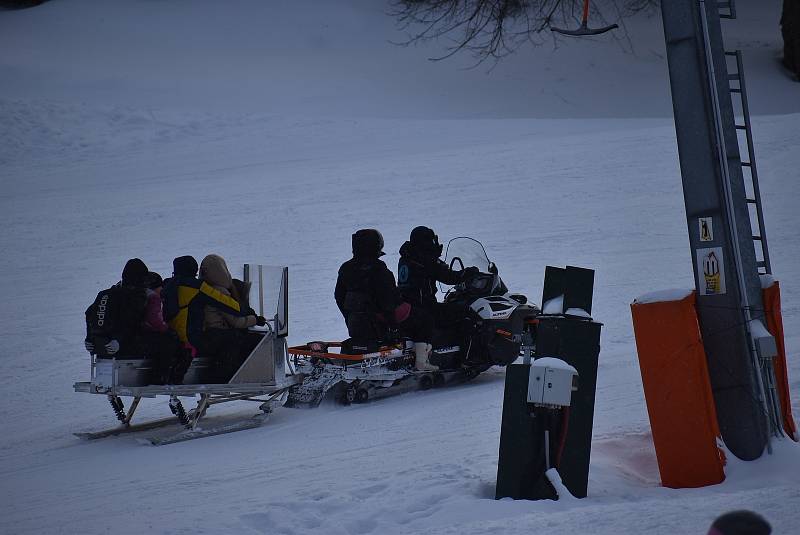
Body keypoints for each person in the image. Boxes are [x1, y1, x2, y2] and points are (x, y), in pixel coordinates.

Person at [335, 229, 437, 371]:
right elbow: (388, 300)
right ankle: (421, 362)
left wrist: (349, 316)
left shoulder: (346, 268)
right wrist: (392, 325)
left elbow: (339, 296)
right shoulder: (378, 269)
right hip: (381, 316)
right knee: (425, 319)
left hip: (357, 320)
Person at [196, 254, 266, 381]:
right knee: (252, 340)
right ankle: (238, 375)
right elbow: (236, 322)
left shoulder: (203, 289)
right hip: (217, 333)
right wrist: (255, 319)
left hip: (207, 333)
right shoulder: (219, 292)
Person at [398, 226, 477, 324]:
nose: (433, 243)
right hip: (424, 307)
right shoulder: (423, 260)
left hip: (408, 305)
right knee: (464, 312)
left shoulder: (406, 257)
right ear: (425, 242)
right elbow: (449, 278)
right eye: (431, 241)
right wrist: (469, 272)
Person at [84, 258, 149, 358]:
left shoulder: (107, 294)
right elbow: (131, 322)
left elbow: (89, 313)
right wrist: (118, 340)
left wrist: (89, 338)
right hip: (123, 349)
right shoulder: (133, 296)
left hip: (100, 347)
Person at [140, 271, 188, 384]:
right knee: (172, 345)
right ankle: (162, 378)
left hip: (139, 337)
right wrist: (168, 330)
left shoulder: (141, 295)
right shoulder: (154, 297)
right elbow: (155, 321)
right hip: (150, 337)